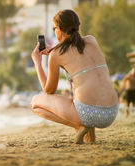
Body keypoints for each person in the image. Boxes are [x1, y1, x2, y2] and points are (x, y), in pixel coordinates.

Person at [31, 9, 118, 144]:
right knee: (84, 95)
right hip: (112, 111)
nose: (54, 31)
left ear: (59, 29)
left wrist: (37, 62)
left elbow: (49, 91)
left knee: (35, 103)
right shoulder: (91, 41)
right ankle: (90, 138)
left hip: (88, 113)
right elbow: (75, 52)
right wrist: (54, 51)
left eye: (54, 28)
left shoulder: (56, 54)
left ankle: (79, 126)